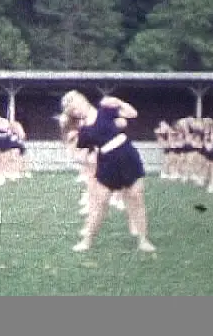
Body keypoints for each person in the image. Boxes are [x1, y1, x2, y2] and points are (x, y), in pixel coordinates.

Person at [60, 90, 156, 253]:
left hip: (127, 155)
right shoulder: (83, 131)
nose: (77, 111)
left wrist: (118, 102)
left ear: (83, 100)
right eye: (73, 111)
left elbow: (132, 114)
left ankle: (143, 240)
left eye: (76, 105)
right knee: (100, 203)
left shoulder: (105, 109)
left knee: (136, 197)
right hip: (107, 162)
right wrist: (71, 141)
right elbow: (81, 153)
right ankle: (86, 241)